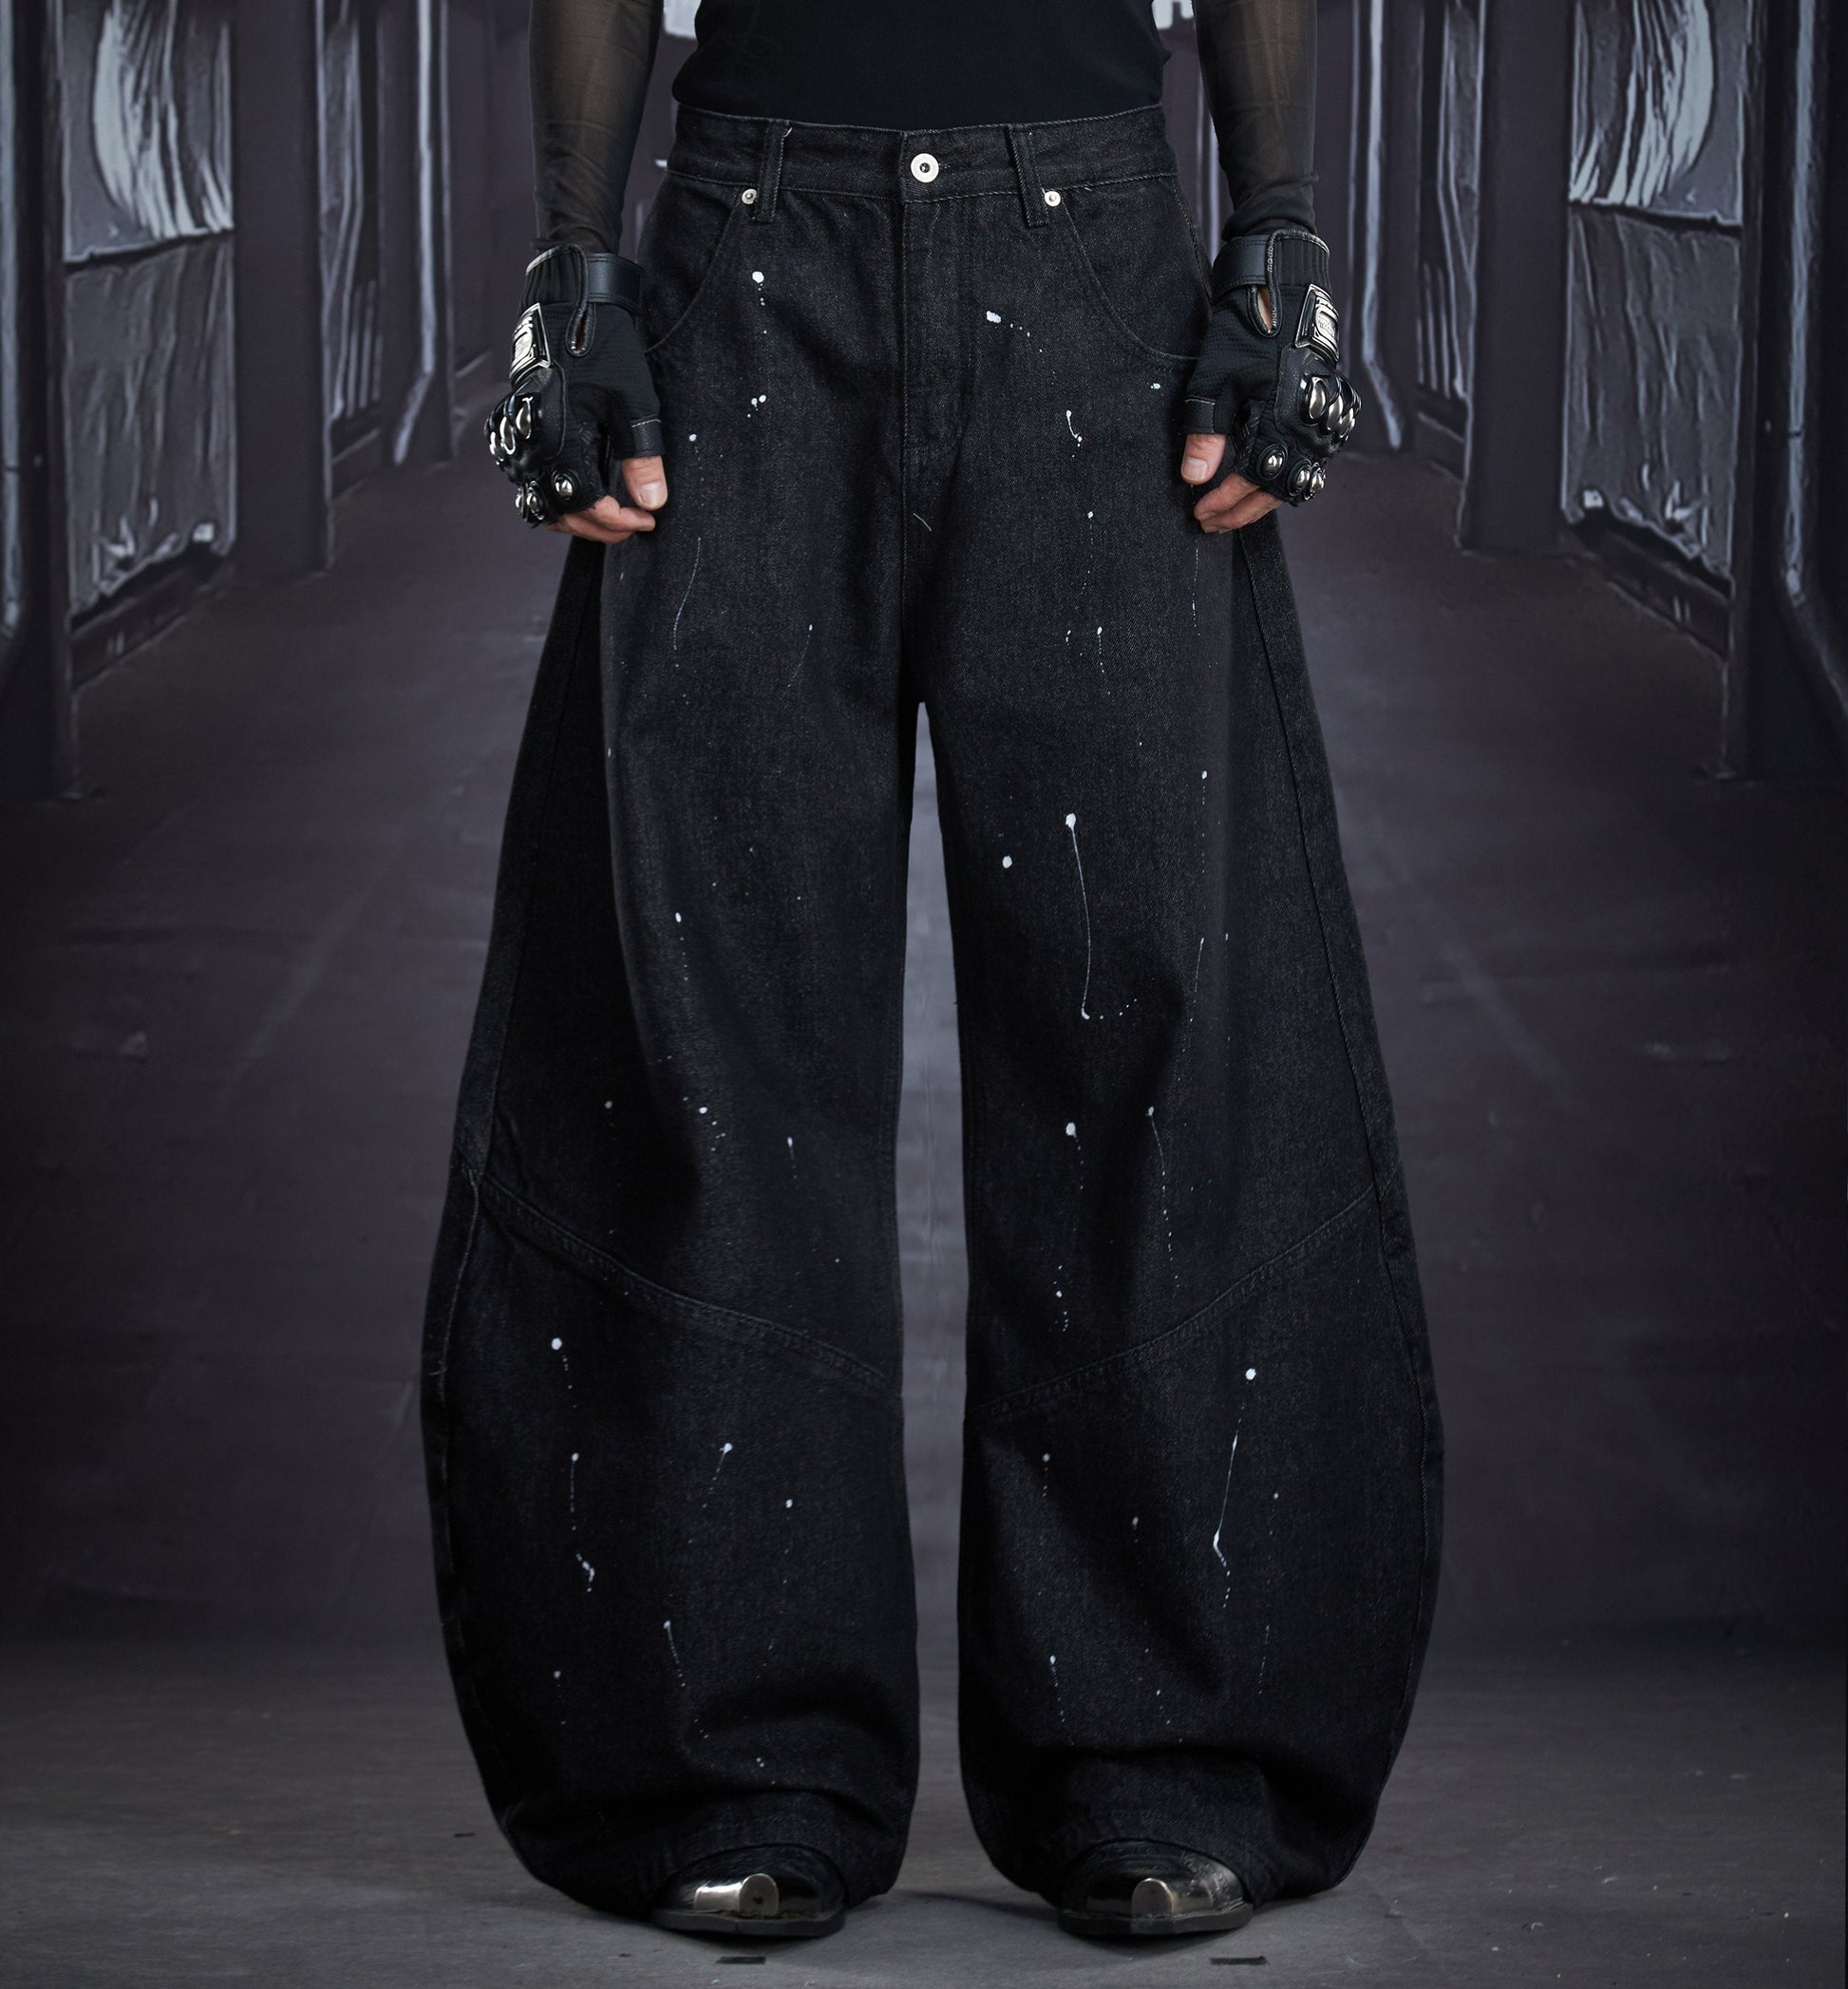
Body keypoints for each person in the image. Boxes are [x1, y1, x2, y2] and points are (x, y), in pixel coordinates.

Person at [425, 0, 1443, 1946]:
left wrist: (1280, 229)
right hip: (746, 249)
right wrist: (573, 265)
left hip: (1095, 256)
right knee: (705, 1012)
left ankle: (1160, 1759)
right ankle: (727, 1764)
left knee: (1149, 1003)